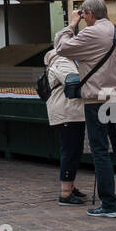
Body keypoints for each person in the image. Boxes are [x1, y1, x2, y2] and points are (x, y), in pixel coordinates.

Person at [53, 0, 116, 218]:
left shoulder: (90, 33)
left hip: (97, 100)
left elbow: (60, 47)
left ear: (89, 13)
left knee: (100, 150)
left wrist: (72, 24)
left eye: (83, 13)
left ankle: (109, 204)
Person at [42, 34, 88, 206]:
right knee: (70, 151)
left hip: (70, 111)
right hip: (67, 112)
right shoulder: (62, 60)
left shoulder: (66, 59)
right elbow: (72, 82)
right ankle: (66, 193)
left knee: (73, 150)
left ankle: (70, 185)